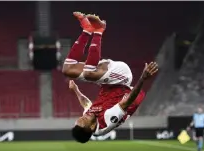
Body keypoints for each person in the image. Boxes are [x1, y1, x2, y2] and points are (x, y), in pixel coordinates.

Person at [62, 12, 159, 143]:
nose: (84, 116)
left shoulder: (88, 120)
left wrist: (76, 90)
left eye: (80, 117)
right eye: (83, 120)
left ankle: (87, 30)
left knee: (68, 69)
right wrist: (143, 77)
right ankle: (99, 30)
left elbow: (86, 104)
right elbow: (128, 101)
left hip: (109, 82)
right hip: (122, 79)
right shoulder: (107, 121)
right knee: (89, 74)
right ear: (91, 127)